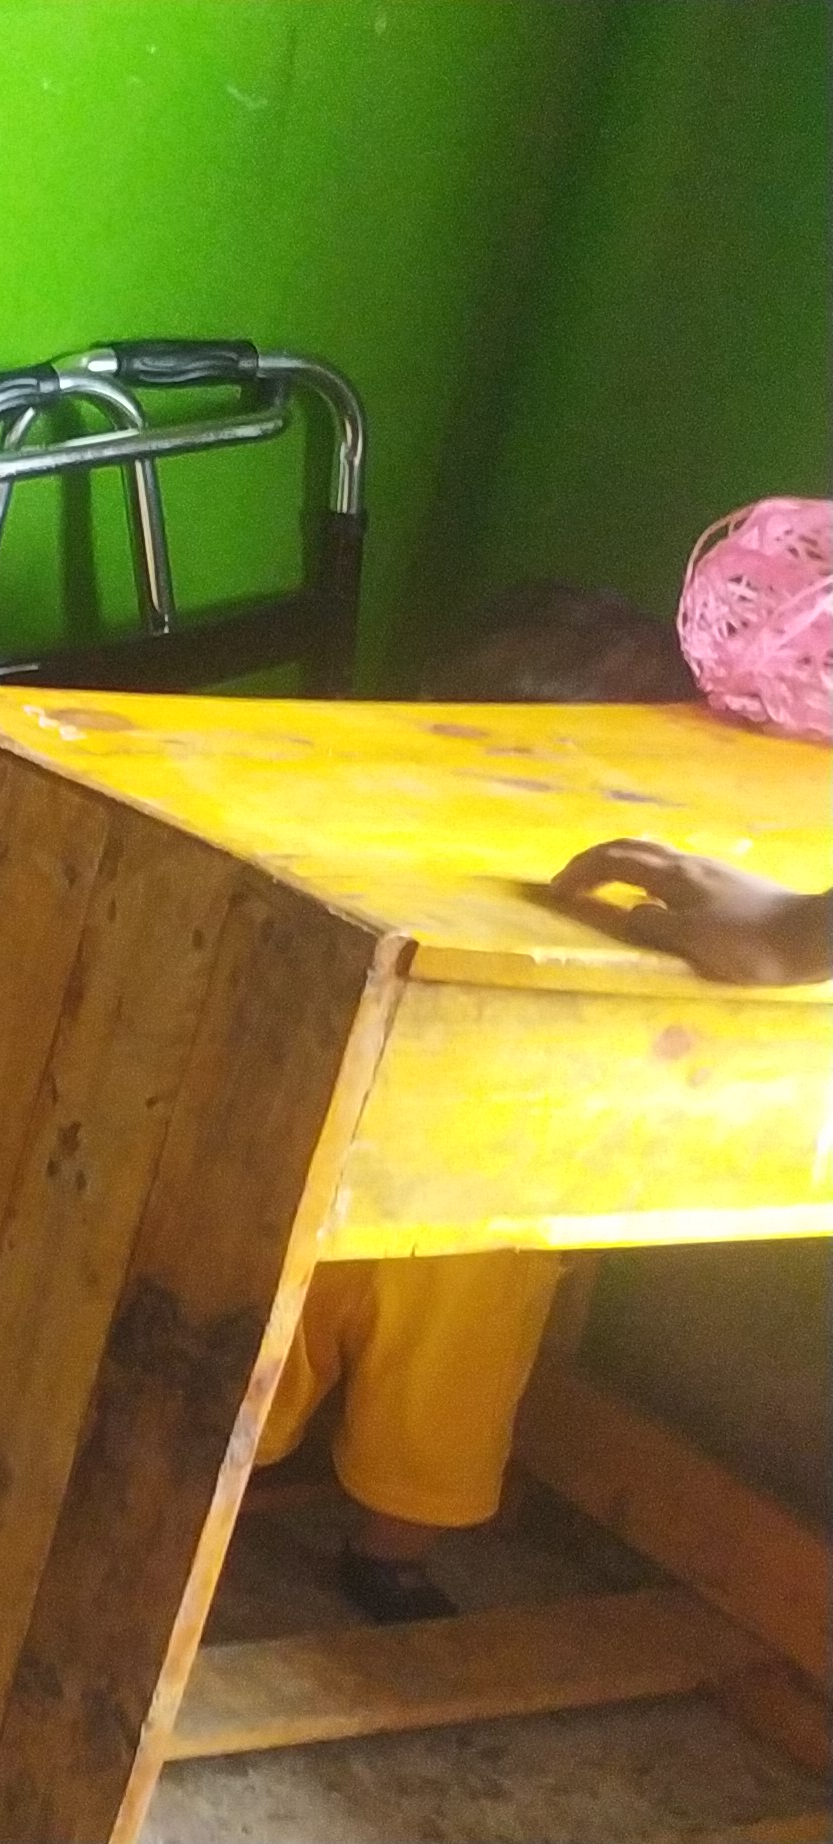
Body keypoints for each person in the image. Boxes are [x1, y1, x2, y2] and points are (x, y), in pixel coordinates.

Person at [258, 590, 825, 1623]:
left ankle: (391, 1548)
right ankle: (232, 1490)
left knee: (454, 1364)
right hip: (331, 1149)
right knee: (272, 1329)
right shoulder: (366, 816)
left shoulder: (643, 877)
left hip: (489, 1174)